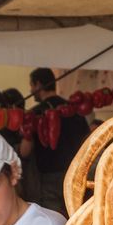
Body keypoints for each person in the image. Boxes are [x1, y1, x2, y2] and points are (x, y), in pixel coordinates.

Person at [20, 68, 91, 216]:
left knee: (54, 220)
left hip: (48, 178)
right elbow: (88, 140)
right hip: (76, 172)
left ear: (38, 85)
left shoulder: (35, 114)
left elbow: (24, 151)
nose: (30, 90)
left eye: (32, 85)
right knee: (78, 218)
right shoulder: (73, 109)